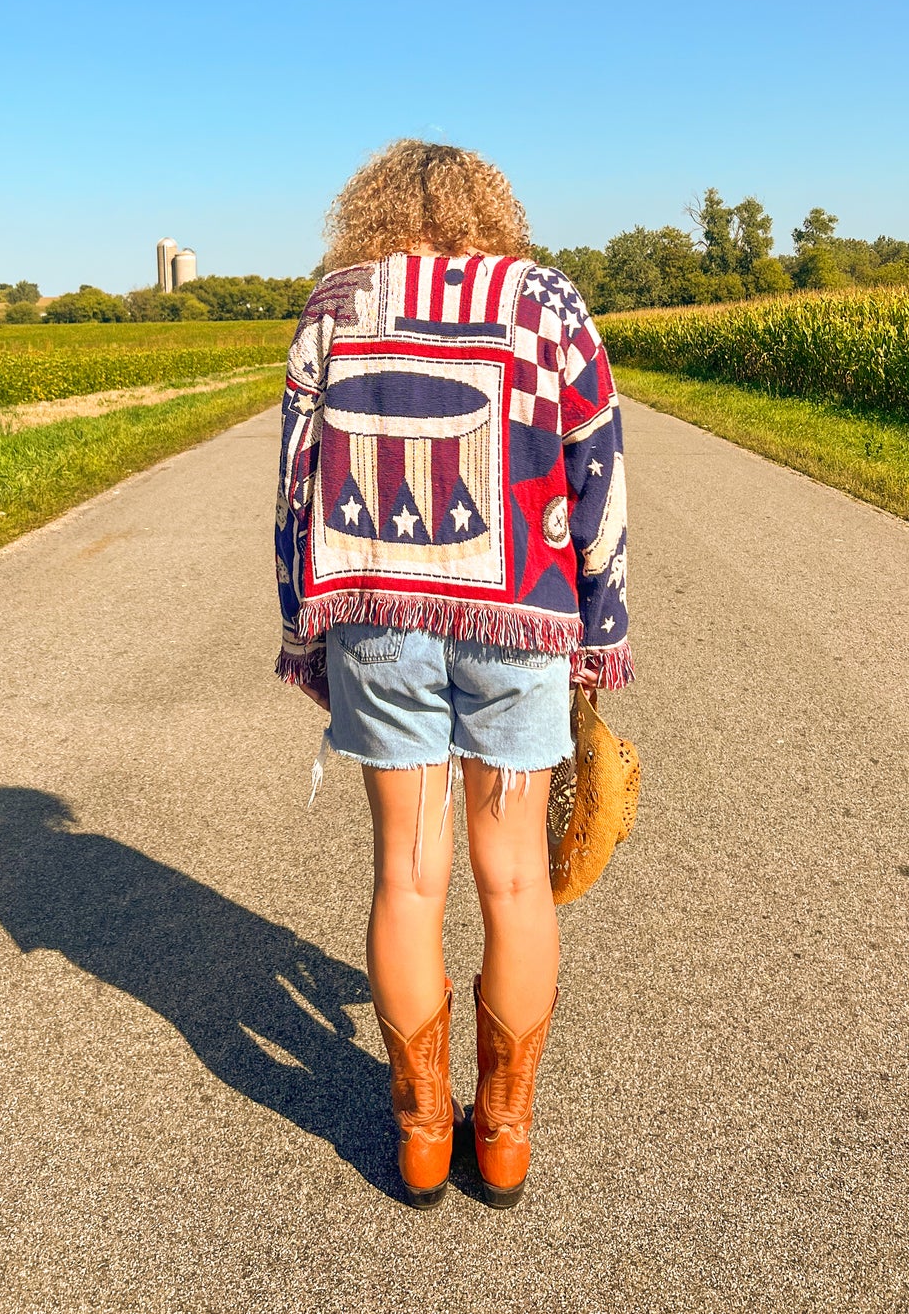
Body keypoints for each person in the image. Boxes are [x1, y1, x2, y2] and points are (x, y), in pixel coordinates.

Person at [273, 139, 632, 1209]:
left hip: (377, 616)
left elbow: (296, 485)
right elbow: (596, 461)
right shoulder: (543, 300)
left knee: (408, 875)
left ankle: (424, 1134)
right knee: (514, 877)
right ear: (490, 207)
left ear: (370, 206)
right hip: (517, 618)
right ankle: (506, 1135)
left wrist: (305, 630)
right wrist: (597, 629)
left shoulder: (333, 305)